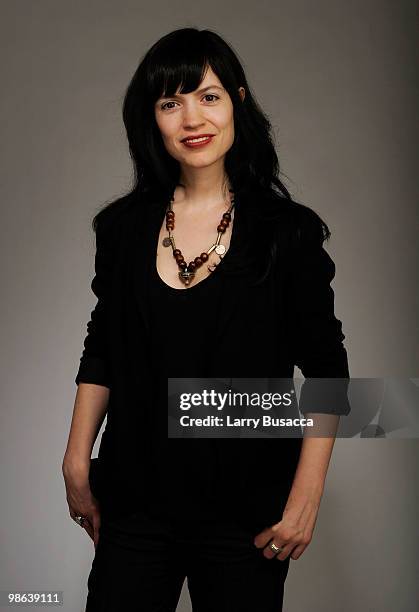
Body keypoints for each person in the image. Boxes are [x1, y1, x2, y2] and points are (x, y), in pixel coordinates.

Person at [62, 27, 350, 612]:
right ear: (152, 120)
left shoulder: (286, 233)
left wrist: (306, 498)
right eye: (171, 102)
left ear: (238, 103)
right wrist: (75, 460)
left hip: (245, 513)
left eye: (208, 96)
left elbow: (327, 370)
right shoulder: (122, 229)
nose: (192, 118)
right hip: (135, 503)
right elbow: (103, 348)